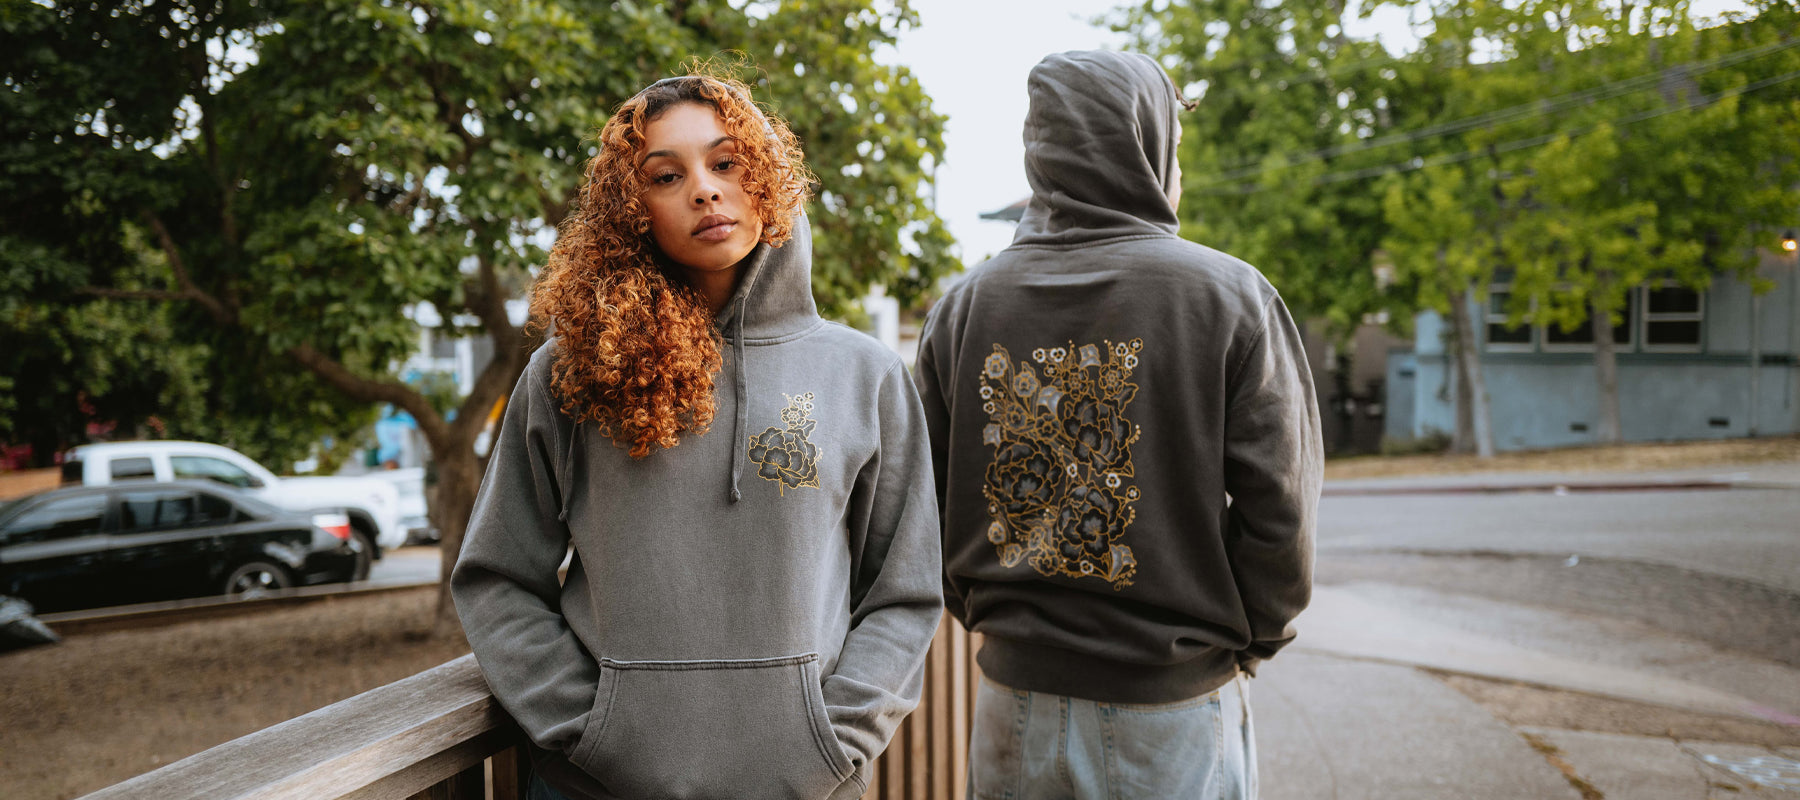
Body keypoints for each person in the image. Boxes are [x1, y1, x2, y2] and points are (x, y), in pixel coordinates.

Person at [451, 70, 943, 800]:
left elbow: (903, 593)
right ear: (632, 208)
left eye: (725, 162)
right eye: (665, 175)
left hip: (806, 788)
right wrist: (589, 732)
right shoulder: (575, 371)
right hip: (596, 787)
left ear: (767, 175)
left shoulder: (863, 374)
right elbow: (497, 578)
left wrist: (832, 741)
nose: (705, 191)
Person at [913, 50, 1323, 799]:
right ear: (1150, 143)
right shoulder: (1229, 298)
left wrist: (998, 617)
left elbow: (926, 505)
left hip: (1012, 710)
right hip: (1172, 716)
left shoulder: (965, 308)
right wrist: (1245, 642)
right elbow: (1281, 514)